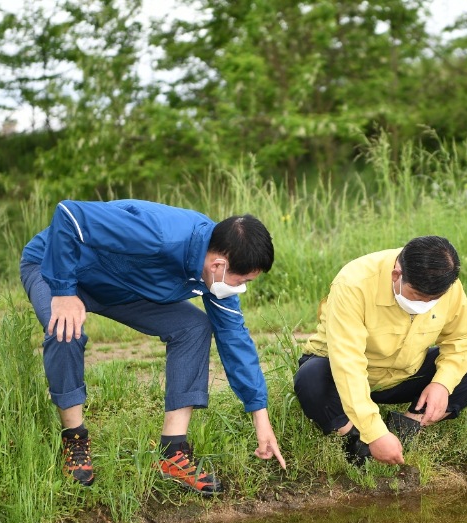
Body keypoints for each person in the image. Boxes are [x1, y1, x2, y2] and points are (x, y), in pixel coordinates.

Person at [20, 199, 286, 495]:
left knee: (194, 326)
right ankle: (74, 439)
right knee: (66, 329)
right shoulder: (159, 233)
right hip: (55, 267)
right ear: (219, 265)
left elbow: (235, 338)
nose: (240, 288)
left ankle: (172, 453)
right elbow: (69, 215)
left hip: (120, 289)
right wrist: (63, 291)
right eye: (241, 280)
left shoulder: (212, 270)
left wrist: (260, 418)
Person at [293, 236, 467, 466]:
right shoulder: (353, 283)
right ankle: (356, 441)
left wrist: (442, 384)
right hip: (343, 373)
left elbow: (460, 339)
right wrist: (373, 432)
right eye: (417, 297)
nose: (424, 305)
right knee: (310, 379)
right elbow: (348, 365)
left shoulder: (447, 284)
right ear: (396, 275)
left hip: (403, 374)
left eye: (433, 300)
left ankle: (405, 428)